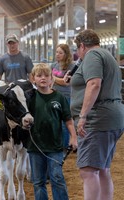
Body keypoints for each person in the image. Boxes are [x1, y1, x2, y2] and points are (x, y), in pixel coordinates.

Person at [64, 29, 124, 200]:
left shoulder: (92, 56)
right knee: (103, 169)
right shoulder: (107, 55)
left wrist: (82, 116)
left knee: (88, 171)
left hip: (97, 119)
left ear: (82, 46)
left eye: (77, 50)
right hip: (112, 117)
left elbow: (94, 84)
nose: (77, 54)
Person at [27, 63, 77, 200]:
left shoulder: (59, 98)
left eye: (46, 75)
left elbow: (68, 119)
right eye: (39, 75)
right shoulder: (29, 98)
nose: (43, 78)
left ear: (51, 79)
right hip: (35, 146)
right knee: (38, 181)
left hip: (55, 146)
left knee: (57, 178)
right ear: (33, 79)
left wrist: (73, 137)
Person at [51, 44, 75, 151]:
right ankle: (57, 143)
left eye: (61, 53)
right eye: (57, 52)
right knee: (55, 121)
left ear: (66, 54)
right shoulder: (54, 65)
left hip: (65, 96)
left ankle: (64, 145)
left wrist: (53, 78)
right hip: (54, 95)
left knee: (65, 122)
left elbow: (66, 83)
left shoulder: (71, 66)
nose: (58, 55)